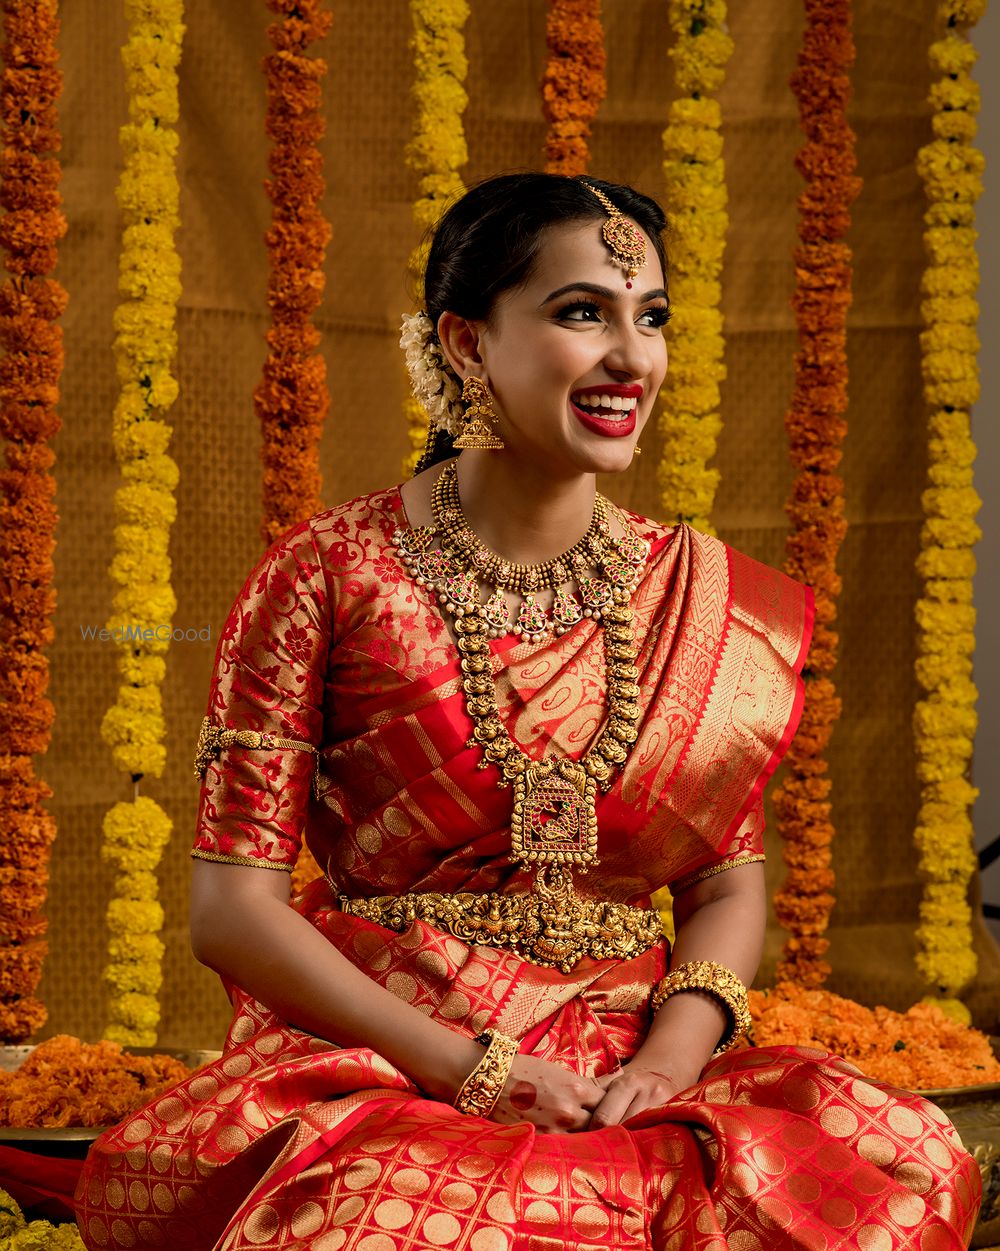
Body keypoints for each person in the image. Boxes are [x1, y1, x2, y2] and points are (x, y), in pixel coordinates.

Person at [75, 173, 980, 1251]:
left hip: (635, 1059)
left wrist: (664, 1066)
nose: (631, 359)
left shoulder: (702, 598)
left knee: (903, 1166)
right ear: (465, 343)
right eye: (580, 312)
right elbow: (232, 910)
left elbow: (726, 889)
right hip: (396, 1056)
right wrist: (476, 1067)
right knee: (397, 1223)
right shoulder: (328, 574)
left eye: (649, 319)